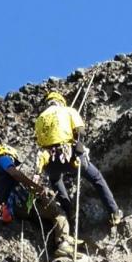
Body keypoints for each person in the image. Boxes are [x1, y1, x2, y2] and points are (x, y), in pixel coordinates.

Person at [34, 90, 123, 230]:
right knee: (96, 178)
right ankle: (114, 212)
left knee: (56, 181)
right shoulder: (68, 111)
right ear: (60, 102)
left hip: (50, 160)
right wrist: (79, 144)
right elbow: (80, 131)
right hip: (70, 155)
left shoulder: (40, 119)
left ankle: (70, 212)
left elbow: (39, 141)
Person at [0, 144, 77, 259]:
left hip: (17, 211)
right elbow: (15, 173)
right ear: (7, 153)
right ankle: (64, 244)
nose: (13, 163)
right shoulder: (3, 159)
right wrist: (36, 187)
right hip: (25, 201)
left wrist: (2, 198)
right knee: (58, 213)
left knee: (45, 216)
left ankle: (59, 239)